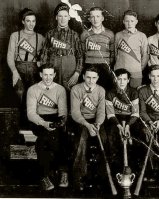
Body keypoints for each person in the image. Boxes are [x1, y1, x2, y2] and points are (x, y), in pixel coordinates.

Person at [27, 63, 68, 191]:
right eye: (45, 75)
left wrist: (60, 123)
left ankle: (62, 173)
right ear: (40, 75)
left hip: (55, 118)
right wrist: (44, 123)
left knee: (61, 136)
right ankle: (45, 175)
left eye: (51, 75)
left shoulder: (60, 89)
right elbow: (31, 114)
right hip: (39, 120)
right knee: (45, 136)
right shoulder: (33, 89)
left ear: (55, 75)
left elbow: (63, 112)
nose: (48, 78)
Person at [7, 8, 44, 128]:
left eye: (33, 21)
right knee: (20, 97)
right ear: (23, 22)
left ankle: (33, 130)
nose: (31, 24)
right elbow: (10, 56)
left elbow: (44, 57)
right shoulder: (15, 35)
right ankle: (19, 130)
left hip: (34, 70)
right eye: (28, 21)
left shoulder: (40, 37)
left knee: (33, 99)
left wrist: (40, 62)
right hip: (19, 68)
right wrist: (14, 72)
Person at [71, 65, 106, 191]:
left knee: (104, 139)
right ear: (83, 76)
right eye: (88, 77)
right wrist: (87, 125)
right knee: (81, 141)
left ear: (98, 78)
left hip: (96, 121)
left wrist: (97, 125)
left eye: (94, 78)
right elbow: (75, 113)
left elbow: (101, 112)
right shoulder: (76, 89)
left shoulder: (101, 90)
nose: (91, 81)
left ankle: (101, 177)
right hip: (81, 121)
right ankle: (79, 178)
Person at [105, 68, 141, 174]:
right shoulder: (110, 93)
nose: (121, 82)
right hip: (115, 120)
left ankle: (133, 168)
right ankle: (116, 168)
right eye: (119, 79)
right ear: (115, 80)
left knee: (135, 138)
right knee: (112, 136)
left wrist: (128, 125)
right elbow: (110, 114)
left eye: (124, 79)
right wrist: (119, 126)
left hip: (131, 120)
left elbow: (135, 113)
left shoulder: (133, 92)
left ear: (128, 80)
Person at [40, 2, 83, 91]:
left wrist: (77, 73)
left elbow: (80, 56)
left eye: (65, 16)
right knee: (53, 92)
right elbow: (44, 55)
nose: (63, 19)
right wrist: (45, 73)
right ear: (56, 17)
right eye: (60, 16)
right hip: (53, 68)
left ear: (69, 17)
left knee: (69, 92)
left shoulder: (74, 35)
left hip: (70, 69)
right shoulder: (50, 34)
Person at [81, 7, 115, 91]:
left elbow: (112, 53)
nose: (95, 19)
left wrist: (108, 66)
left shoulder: (110, 34)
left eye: (98, 16)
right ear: (89, 19)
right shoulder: (85, 34)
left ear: (102, 18)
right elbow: (82, 52)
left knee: (104, 90)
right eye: (92, 17)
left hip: (104, 67)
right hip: (89, 66)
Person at [114, 10, 148, 88]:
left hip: (135, 72)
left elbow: (145, 55)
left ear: (136, 22)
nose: (129, 24)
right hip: (120, 71)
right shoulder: (118, 35)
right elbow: (115, 53)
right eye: (127, 21)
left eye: (132, 21)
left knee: (135, 94)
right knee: (120, 94)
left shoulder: (142, 36)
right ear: (123, 21)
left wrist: (139, 68)